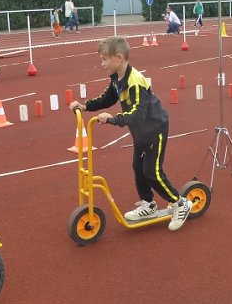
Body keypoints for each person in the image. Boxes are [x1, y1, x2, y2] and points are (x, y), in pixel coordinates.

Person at [69, 36, 191, 231]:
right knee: (138, 168)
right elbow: (107, 99)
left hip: (154, 129)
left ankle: (180, 203)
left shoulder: (135, 81)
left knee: (152, 172)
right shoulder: (117, 78)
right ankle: (148, 204)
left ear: (118, 58)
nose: (102, 64)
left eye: (104, 59)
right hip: (140, 132)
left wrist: (113, 119)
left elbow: (138, 114)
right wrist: (85, 106)